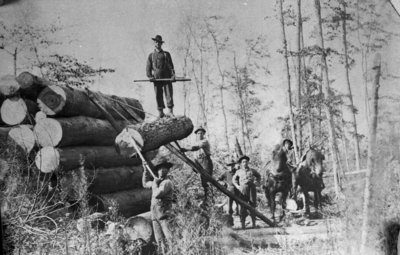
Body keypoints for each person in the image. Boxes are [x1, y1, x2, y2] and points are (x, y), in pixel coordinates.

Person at [142, 160, 174, 253]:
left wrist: (155, 183)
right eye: (160, 169)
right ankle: (163, 252)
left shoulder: (167, 182)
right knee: (159, 239)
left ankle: (174, 252)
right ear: (157, 171)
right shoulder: (156, 182)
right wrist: (145, 171)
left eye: (165, 169)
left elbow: (157, 194)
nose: (163, 170)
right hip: (154, 214)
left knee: (169, 237)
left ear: (168, 171)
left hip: (164, 214)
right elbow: (145, 184)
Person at [180, 126, 213, 204]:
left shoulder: (204, 141)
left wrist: (186, 149)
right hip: (198, 162)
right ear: (196, 134)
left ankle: (210, 200)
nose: (200, 135)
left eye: (201, 133)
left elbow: (196, 148)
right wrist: (194, 165)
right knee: (202, 182)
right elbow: (194, 155)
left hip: (205, 162)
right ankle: (205, 199)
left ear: (204, 134)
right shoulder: (194, 143)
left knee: (207, 181)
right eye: (198, 133)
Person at [146, 35, 176, 118]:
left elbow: (171, 66)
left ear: (161, 44)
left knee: (169, 93)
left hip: (167, 77)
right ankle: (161, 112)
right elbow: (148, 67)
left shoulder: (166, 54)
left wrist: (173, 75)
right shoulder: (151, 55)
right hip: (157, 78)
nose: (157, 43)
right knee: (158, 94)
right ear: (154, 43)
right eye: (156, 42)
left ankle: (170, 111)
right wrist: (150, 76)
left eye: (159, 42)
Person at [232, 155, 261, 229]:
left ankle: (254, 223)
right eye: (243, 162)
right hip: (243, 189)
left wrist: (256, 182)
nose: (245, 163)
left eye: (246, 161)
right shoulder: (238, 171)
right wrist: (237, 186)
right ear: (241, 163)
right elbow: (234, 180)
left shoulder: (252, 170)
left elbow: (259, 176)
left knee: (253, 205)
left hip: (252, 189)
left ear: (248, 162)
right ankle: (243, 224)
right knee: (243, 205)